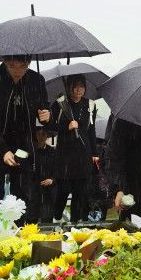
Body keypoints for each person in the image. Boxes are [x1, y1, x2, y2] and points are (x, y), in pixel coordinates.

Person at [0, 56, 50, 222]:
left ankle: (21, 239)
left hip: (24, 145)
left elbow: (45, 110)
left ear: (28, 64)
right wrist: (3, 150)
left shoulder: (37, 80)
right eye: (12, 66)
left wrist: (48, 116)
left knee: (23, 197)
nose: (18, 71)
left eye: (23, 66)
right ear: (5, 62)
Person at [49, 75, 97, 223]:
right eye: (75, 86)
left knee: (79, 193)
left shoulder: (90, 105)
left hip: (83, 155)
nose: (78, 90)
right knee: (62, 191)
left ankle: (75, 224)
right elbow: (50, 127)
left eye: (81, 86)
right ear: (69, 87)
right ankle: (56, 219)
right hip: (65, 156)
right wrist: (66, 127)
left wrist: (94, 153)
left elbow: (91, 131)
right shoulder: (60, 103)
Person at [26, 126, 56, 223]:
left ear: (47, 135)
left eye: (43, 134)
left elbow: (58, 170)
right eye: (38, 134)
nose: (41, 137)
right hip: (33, 192)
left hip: (48, 193)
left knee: (47, 220)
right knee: (31, 220)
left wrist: (52, 180)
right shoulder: (29, 152)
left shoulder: (53, 152)